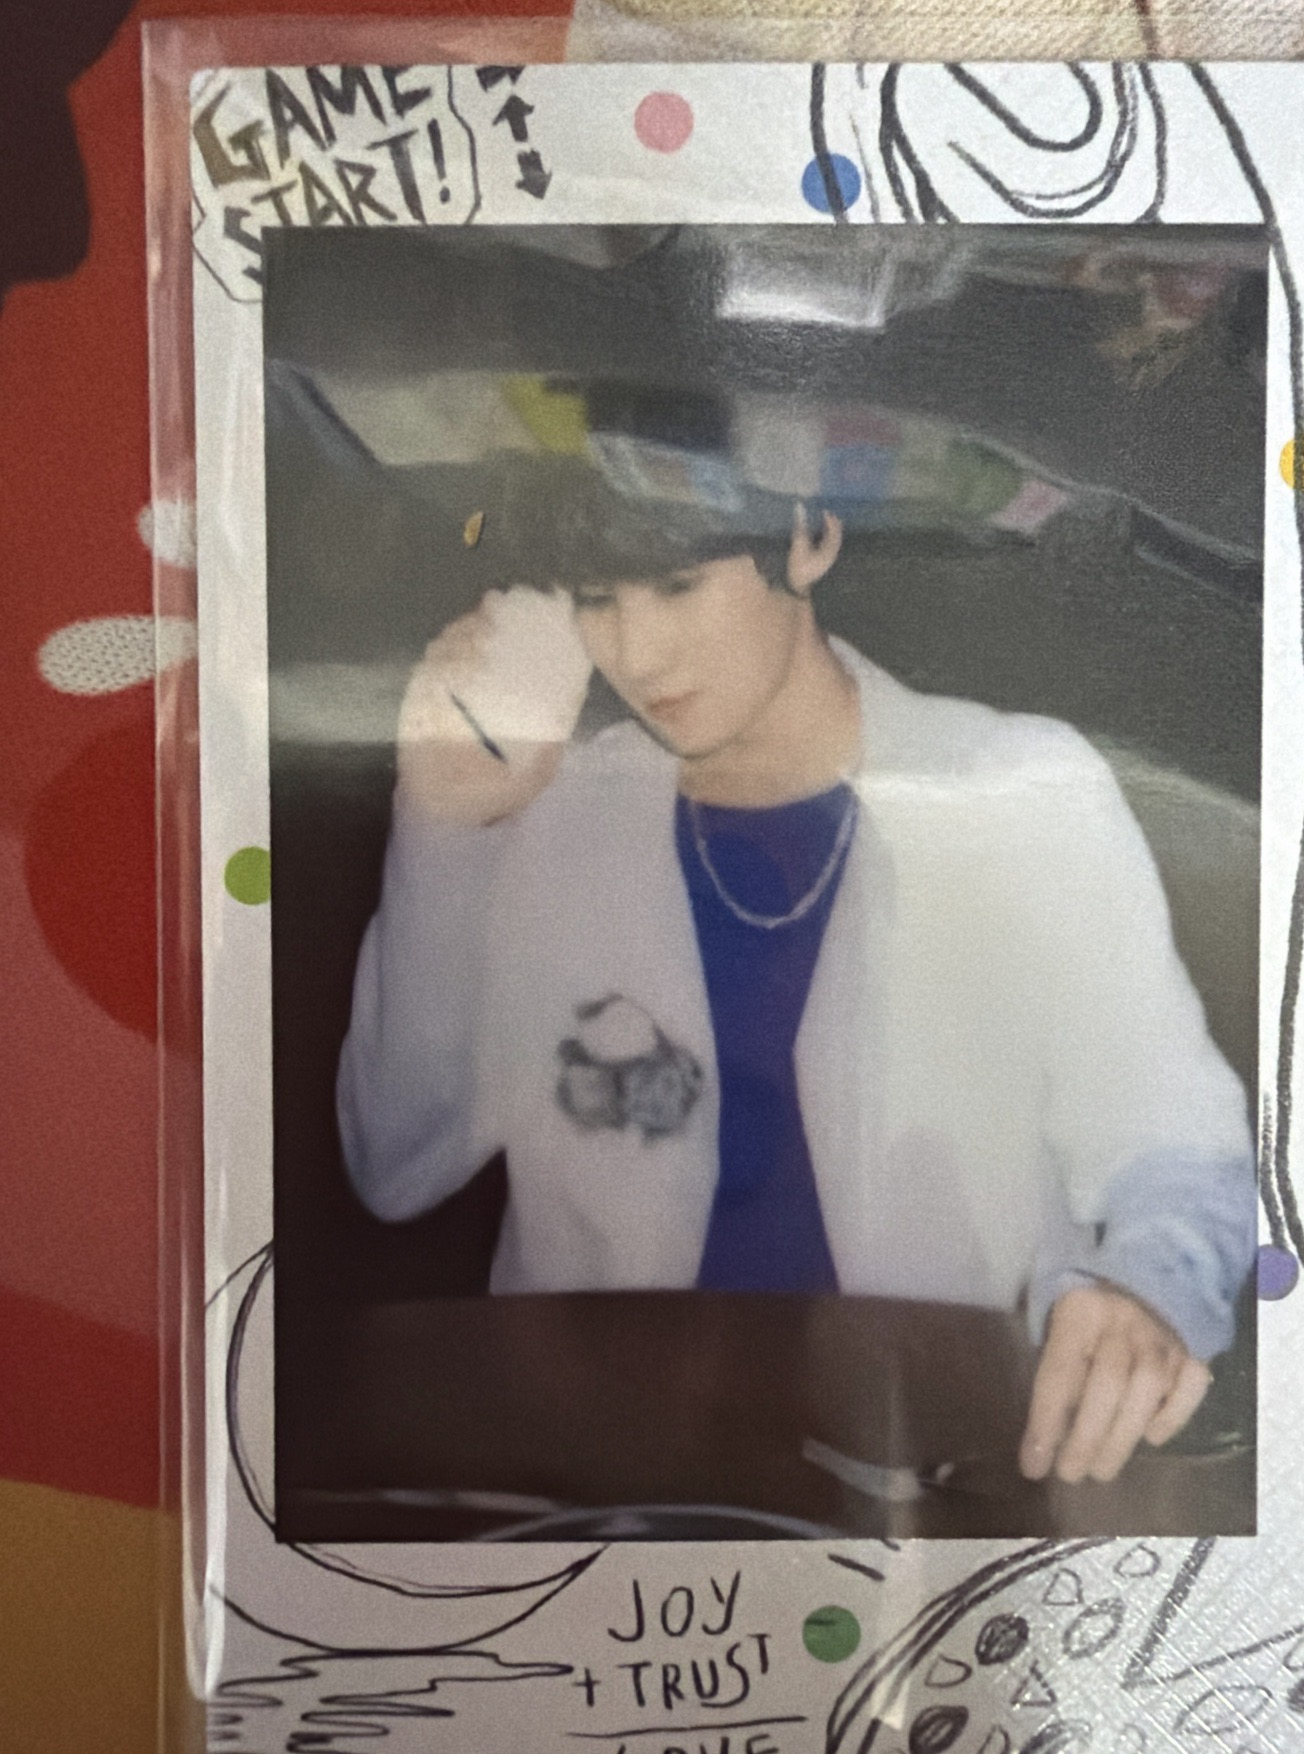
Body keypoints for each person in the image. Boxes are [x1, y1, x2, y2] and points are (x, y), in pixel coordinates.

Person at [337, 452, 1256, 1490]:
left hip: (945, 1475)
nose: (637, 650)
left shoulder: (1023, 794)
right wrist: (445, 824)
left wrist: (1148, 1287)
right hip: (599, 1479)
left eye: (678, 584)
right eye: (596, 600)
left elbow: (1177, 1143)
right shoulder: (555, 816)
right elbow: (398, 1164)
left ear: (810, 537)